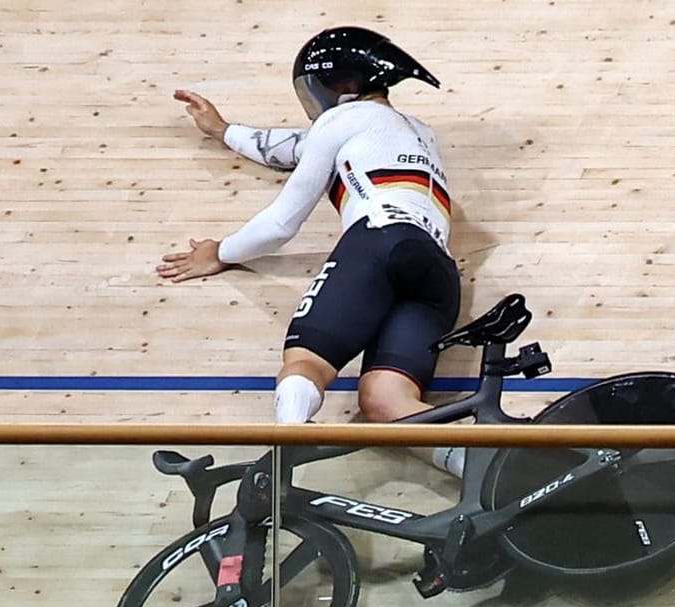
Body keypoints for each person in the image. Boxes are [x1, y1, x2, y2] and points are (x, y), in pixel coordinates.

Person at [158, 26, 465, 476]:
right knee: (385, 401)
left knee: (305, 365)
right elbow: (294, 149)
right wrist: (224, 131)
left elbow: (281, 223)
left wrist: (220, 252)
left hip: (379, 240)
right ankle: (487, 472)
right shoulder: (417, 132)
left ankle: (280, 482)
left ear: (344, 86)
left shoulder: (342, 122)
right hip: (437, 272)